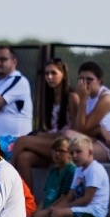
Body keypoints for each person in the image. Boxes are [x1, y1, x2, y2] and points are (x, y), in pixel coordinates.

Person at [32, 136, 109, 217]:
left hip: (94, 210)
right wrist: (52, 208)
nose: (74, 155)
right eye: (72, 152)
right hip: (79, 209)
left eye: (78, 152)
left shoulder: (94, 170)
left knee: (57, 215)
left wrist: (60, 209)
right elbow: (69, 196)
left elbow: (87, 199)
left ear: (90, 152)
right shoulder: (78, 170)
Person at [11, 57, 79, 189]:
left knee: (22, 141)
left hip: (65, 145)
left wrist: (46, 136)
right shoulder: (48, 97)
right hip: (51, 143)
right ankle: (27, 203)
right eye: (47, 73)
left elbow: (75, 132)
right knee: (23, 158)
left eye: (53, 73)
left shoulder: (72, 97)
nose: (49, 77)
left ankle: (7, 174)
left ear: (63, 75)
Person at [64, 61, 110, 163]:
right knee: (67, 136)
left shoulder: (106, 99)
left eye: (89, 80)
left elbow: (82, 129)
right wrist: (99, 130)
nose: (84, 83)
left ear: (99, 80)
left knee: (71, 152)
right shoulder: (88, 97)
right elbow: (79, 128)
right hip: (101, 139)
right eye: (81, 79)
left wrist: (83, 100)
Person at [22, 136, 76, 217]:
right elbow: (47, 196)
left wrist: (45, 211)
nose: (57, 154)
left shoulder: (71, 170)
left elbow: (64, 197)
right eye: (54, 151)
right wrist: (38, 210)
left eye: (61, 151)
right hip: (48, 206)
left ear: (69, 154)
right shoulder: (53, 172)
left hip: (60, 206)